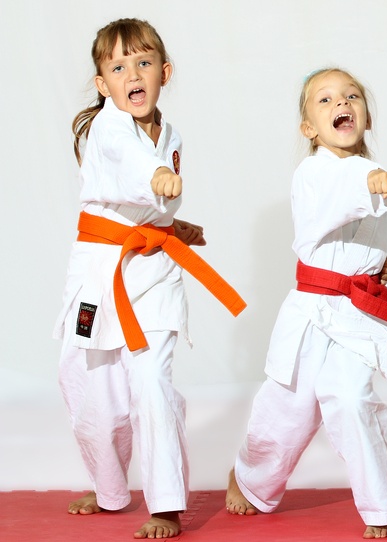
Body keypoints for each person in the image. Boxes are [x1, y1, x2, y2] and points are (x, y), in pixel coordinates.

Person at [55, 18, 246, 539]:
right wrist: (157, 178)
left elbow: (142, 206)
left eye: (143, 63)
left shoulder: (172, 134)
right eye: (118, 67)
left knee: (153, 385)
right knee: (94, 392)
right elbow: (132, 166)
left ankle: (166, 504)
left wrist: (173, 225)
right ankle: (109, 489)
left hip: (155, 274)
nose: (133, 74)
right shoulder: (108, 128)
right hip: (100, 276)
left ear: (165, 72)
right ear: (103, 84)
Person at [224, 67, 387, 540]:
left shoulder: (373, 173)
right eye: (326, 99)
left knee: (350, 396)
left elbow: (350, 236)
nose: (342, 103)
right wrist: (370, 180)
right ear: (309, 129)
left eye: (352, 96)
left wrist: (373, 264)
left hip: (355, 313)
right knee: (287, 407)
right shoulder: (317, 172)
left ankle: (382, 504)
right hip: (311, 311)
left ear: (366, 116)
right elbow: (338, 198)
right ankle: (250, 477)